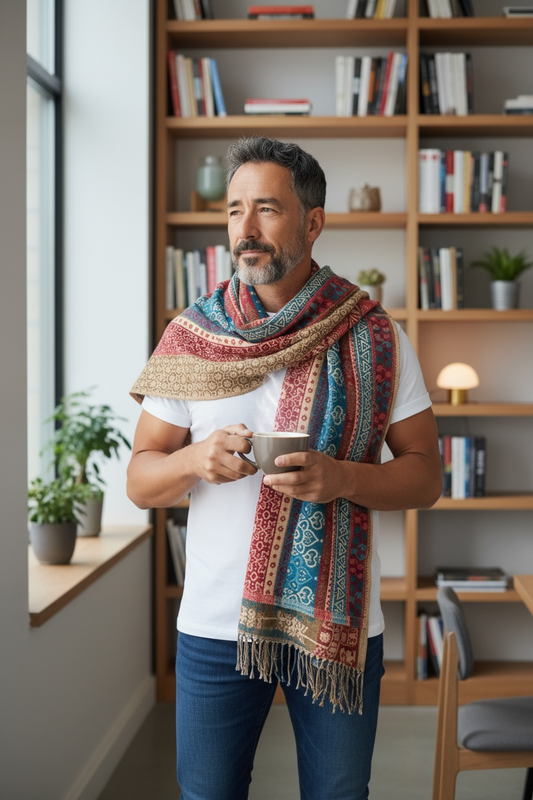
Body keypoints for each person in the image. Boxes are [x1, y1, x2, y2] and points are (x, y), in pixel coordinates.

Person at [127, 136, 442, 800]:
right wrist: (192, 459)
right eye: (235, 209)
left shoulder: (375, 335)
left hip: (336, 625)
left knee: (337, 794)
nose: (245, 229)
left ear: (312, 220)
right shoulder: (193, 336)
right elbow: (140, 481)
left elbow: (424, 475)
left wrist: (343, 478)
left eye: (266, 208)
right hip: (215, 624)